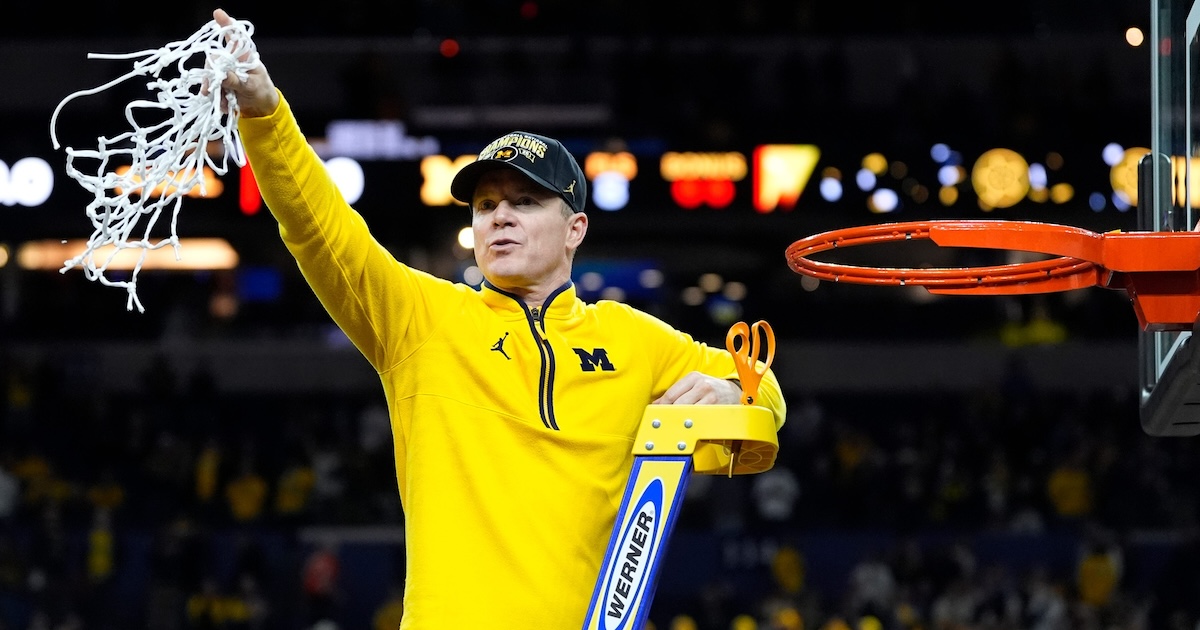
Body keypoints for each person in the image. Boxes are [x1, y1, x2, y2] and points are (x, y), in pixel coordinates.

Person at [210, 8, 786, 628]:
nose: (499, 217)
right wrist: (266, 115)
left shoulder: (633, 338)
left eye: (525, 202)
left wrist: (734, 388)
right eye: (486, 205)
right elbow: (319, 228)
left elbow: (762, 395)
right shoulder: (420, 319)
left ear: (575, 230)